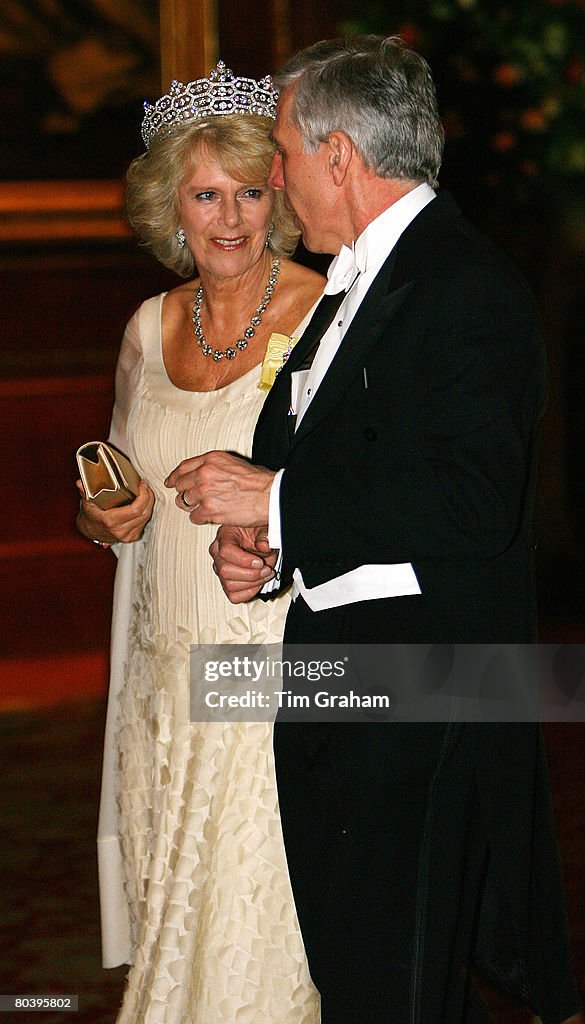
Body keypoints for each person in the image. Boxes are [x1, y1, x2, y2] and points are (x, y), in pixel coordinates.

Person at [165, 37, 582, 1024]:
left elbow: (473, 504)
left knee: (393, 984)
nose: (275, 177)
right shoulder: (347, 286)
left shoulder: (465, 287)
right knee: (369, 973)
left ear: (338, 155)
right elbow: (350, 467)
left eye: (281, 153)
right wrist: (268, 555)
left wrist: (272, 505)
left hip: (421, 687)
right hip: (330, 672)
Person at [76, 62, 324, 1024]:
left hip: (259, 672)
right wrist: (102, 514)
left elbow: (362, 492)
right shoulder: (149, 325)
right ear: (169, 206)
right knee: (172, 925)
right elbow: (107, 505)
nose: (230, 220)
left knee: (245, 944)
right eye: (207, 195)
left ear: (281, 198)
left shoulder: (321, 317)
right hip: (152, 681)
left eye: (251, 192)